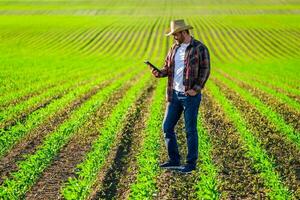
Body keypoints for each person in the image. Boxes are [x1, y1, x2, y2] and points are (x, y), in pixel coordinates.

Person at [148, 19, 210, 174]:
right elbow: (168, 68)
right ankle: (174, 160)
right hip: (174, 94)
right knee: (167, 127)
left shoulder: (199, 48)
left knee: (190, 130)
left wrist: (196, 89)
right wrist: (158, 72)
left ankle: (191, 163)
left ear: (184, 32)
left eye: (175, 34)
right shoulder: (173, 48)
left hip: (190, 96)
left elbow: (205, 70)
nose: (174, 37)